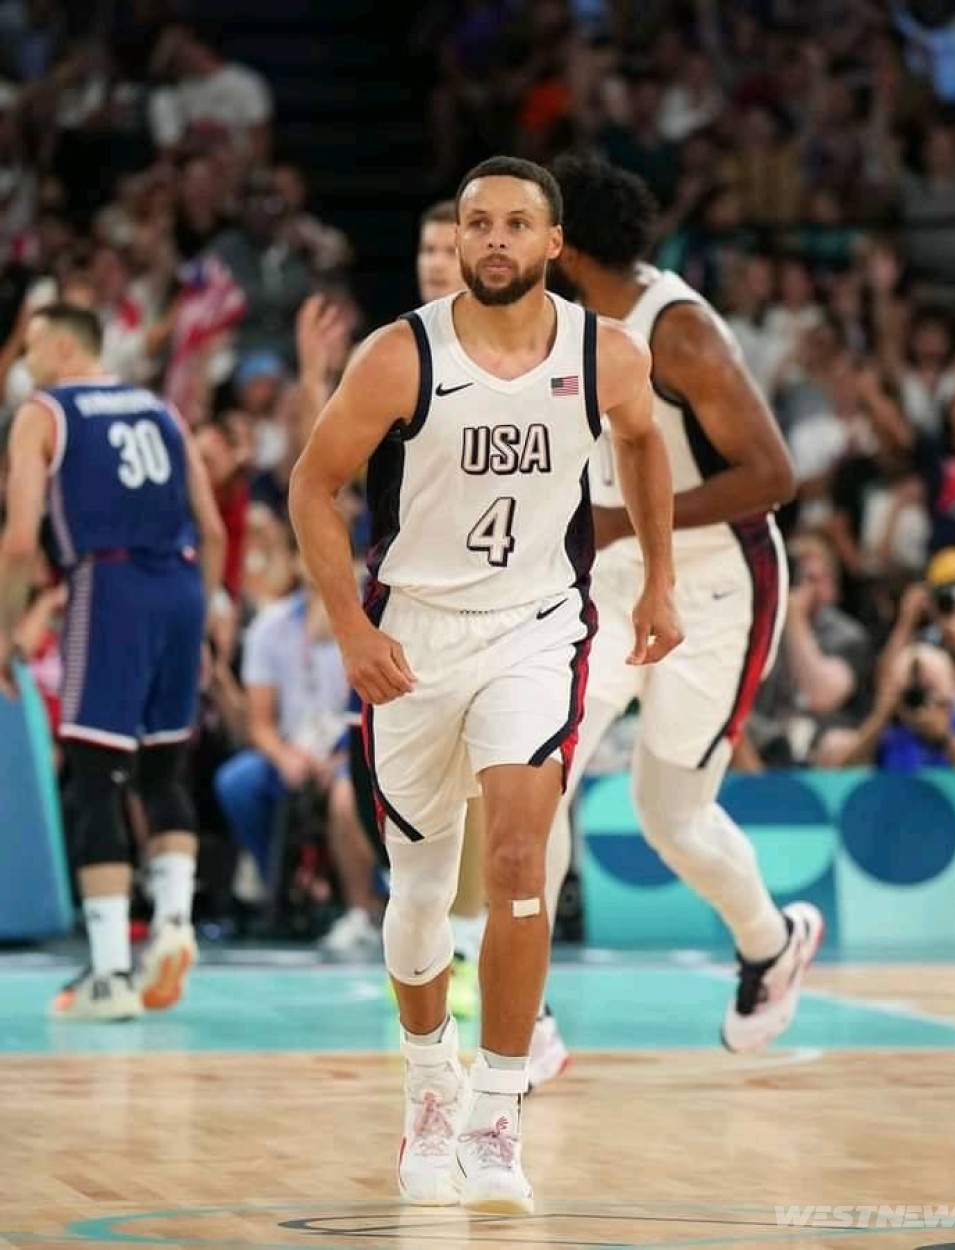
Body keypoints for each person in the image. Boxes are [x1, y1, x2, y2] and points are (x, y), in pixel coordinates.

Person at [288, 155, 681, 1214]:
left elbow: (645, 448)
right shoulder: (397, 356)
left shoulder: (609, 354)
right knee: (418, 891)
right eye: (477, 224)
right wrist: (347, 623)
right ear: (457, 242)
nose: (495, 239)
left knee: (518, 859)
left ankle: (498, 1110)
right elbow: (312, 486)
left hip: (536, 627)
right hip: (412, 636)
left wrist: (659, 584)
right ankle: (429, 1082)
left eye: (516, 223)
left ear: (554, 243)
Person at [535, 153, 820, 1076]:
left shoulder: (681, 334)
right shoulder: (556, 320)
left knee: (671, 815)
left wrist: (626, 520)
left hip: (717, 586)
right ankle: (522, 1012)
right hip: (615, 583)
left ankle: (770, 942)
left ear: (566, 247)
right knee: (541, 775)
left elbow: (773, 478)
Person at [0, 303, 226, 1020]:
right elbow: (214, 527)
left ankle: (106, 973)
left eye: (33, 347)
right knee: (162, 771)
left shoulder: (44, 412)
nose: (26, 362)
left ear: (64, 347)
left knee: (95, 777)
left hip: (110, 583)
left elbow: (16, 543)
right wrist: (206, 619)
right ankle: (172, 925)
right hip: (184, 587)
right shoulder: (161, 409)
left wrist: (4, 632)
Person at [413, 197, 487, 1019]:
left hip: (500, 599)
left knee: (481, 789)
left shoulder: (520, 350)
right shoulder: (397, 349)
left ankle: (465, 953)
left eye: (448, 245)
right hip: (413, 597)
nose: (437, 258)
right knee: (422, 791)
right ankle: (427, 945)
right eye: (427, 247)